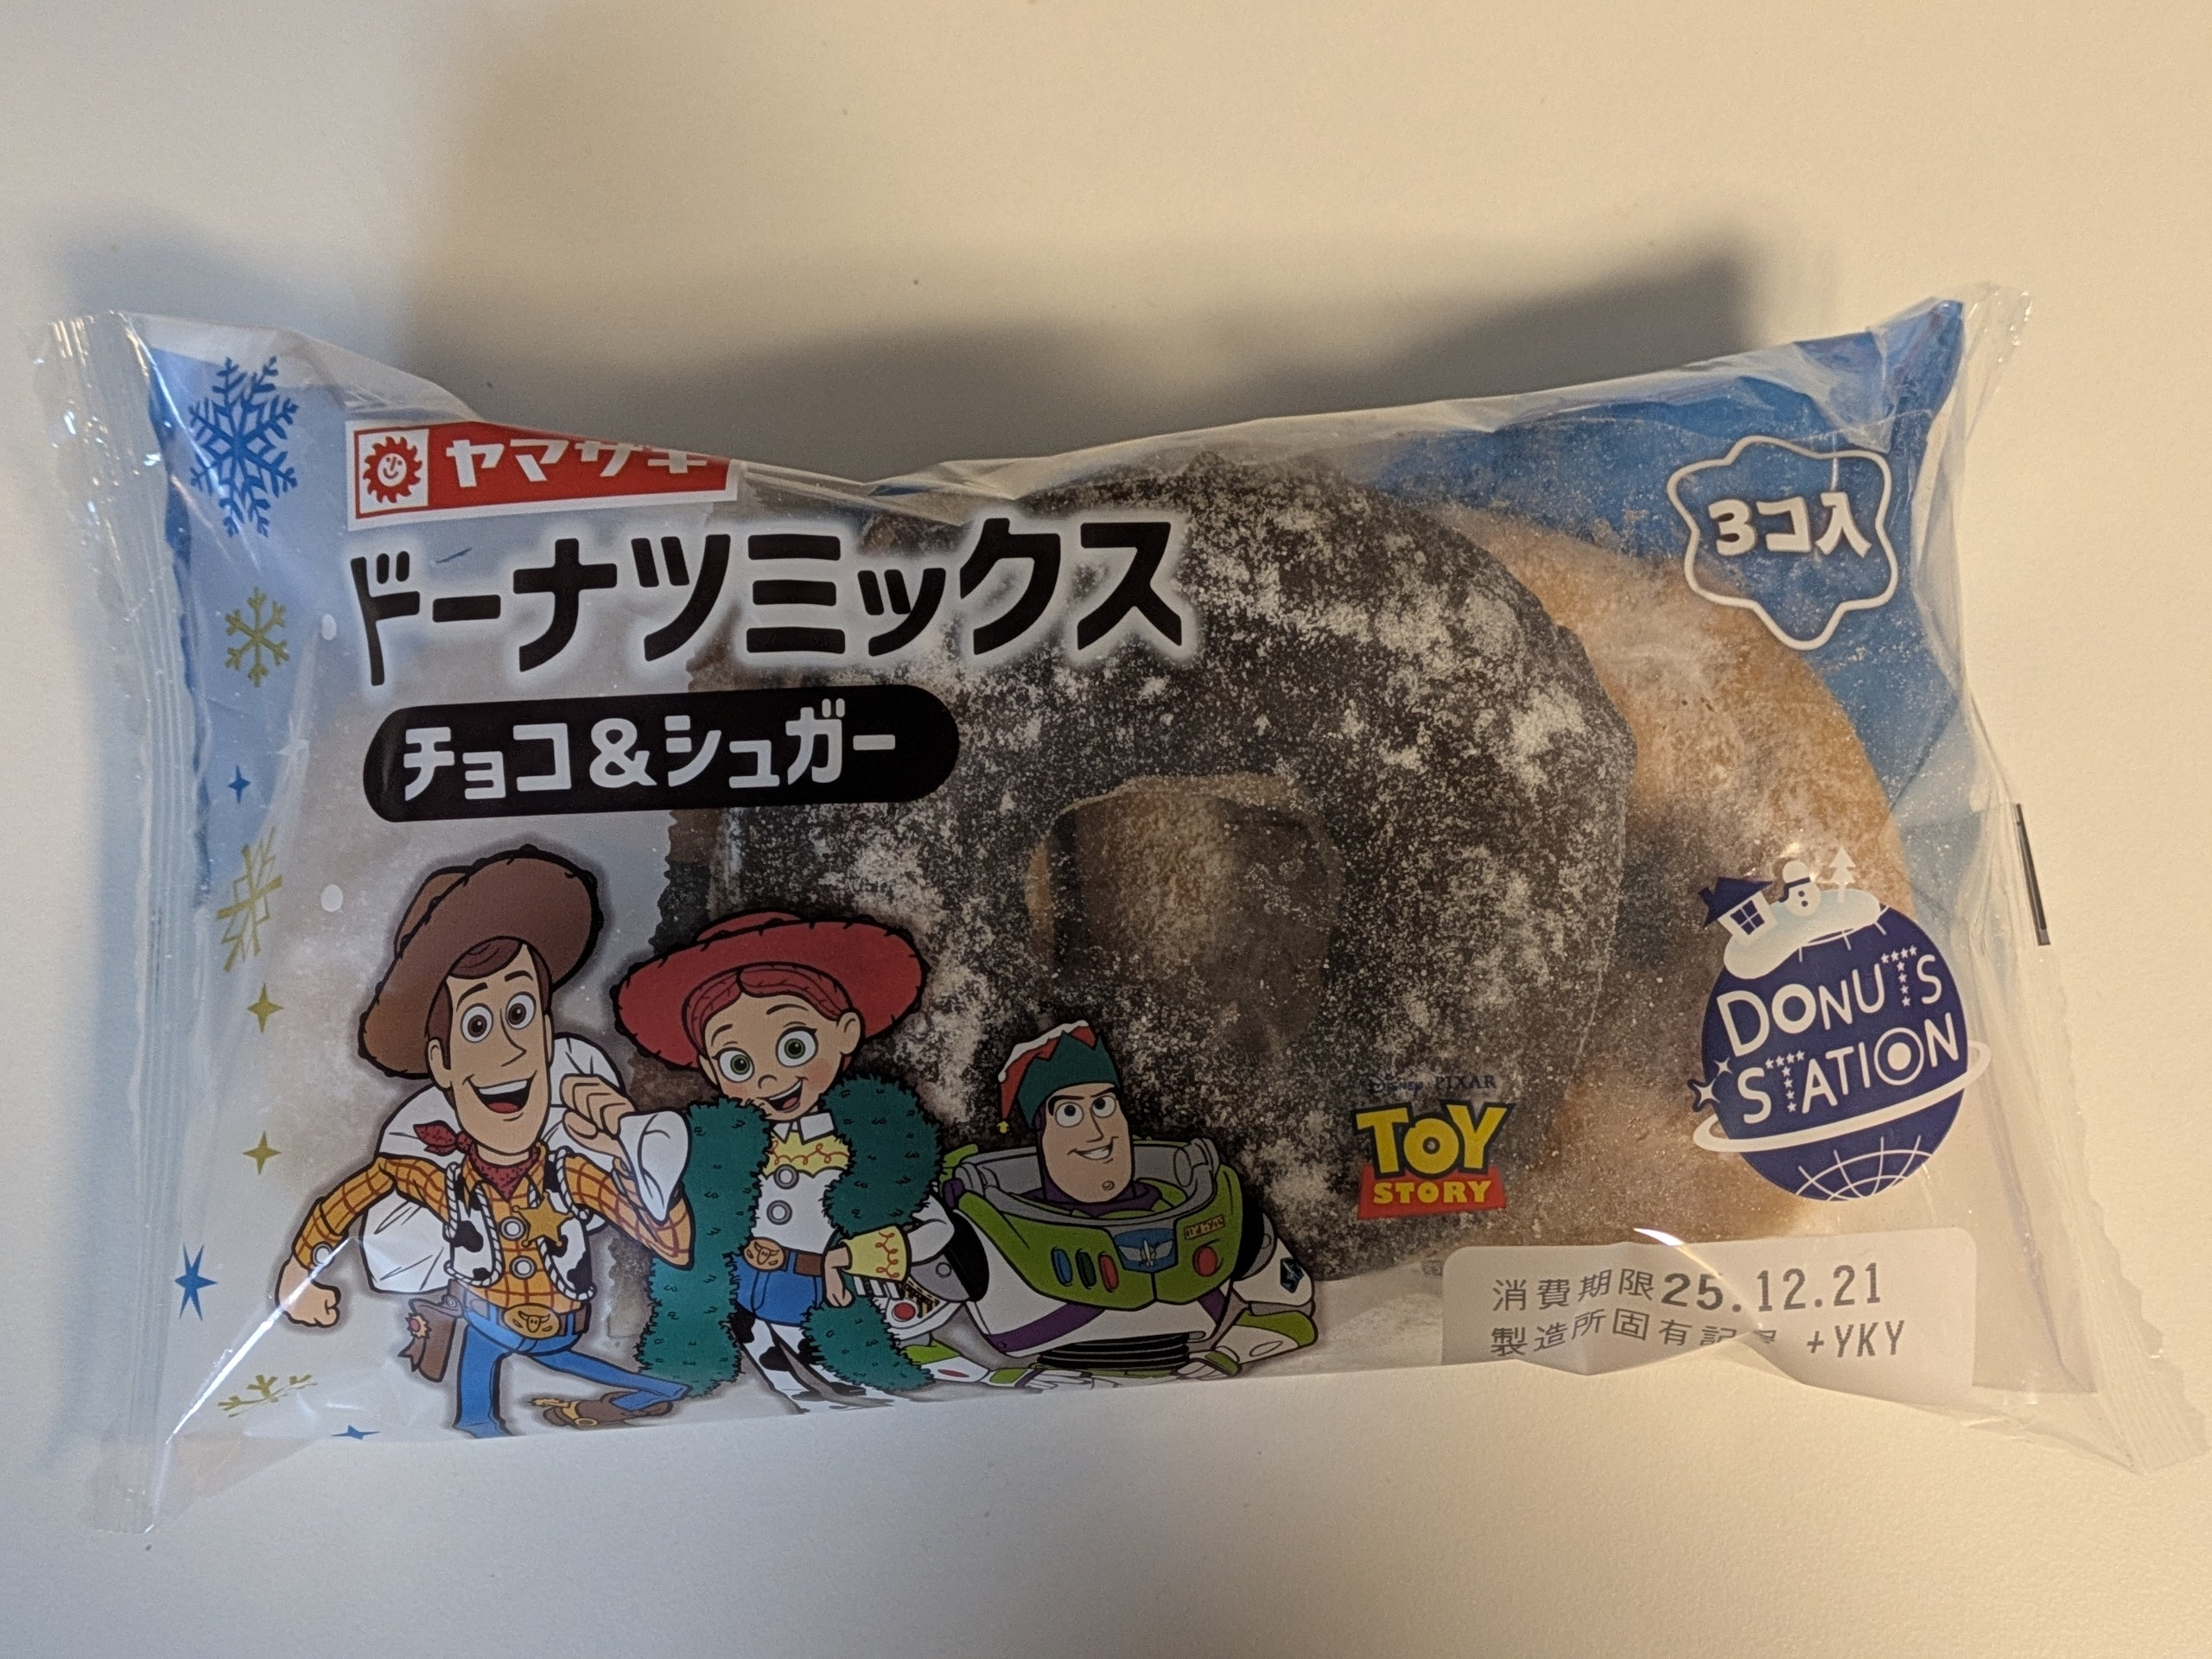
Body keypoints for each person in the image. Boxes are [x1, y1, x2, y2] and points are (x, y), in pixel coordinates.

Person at [273, 846, 694, 1436]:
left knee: (523, 1373)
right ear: (442, 1063)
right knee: (497, 1386)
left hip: (549, 1321)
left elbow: (671, 1245)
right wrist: (300, 1271)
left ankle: (652, 1391)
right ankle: (653, 1391)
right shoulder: (438, 1178)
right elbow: (360, 1192)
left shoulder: (573, 1174)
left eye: (519, 1014)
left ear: (546, 1034)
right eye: (476, 1025)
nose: (507, 1050)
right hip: (494, 1317)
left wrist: (638, 1161)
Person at [613, 909, 944, 1408]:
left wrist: (852, 1257)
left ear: (845, 1032)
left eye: (794, 1046)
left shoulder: (873, 1142)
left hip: (829, 1301)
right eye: (739, 1063)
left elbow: (936, 1227)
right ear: (711, 1070)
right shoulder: (714, 1147)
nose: (767, 1078)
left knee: (861, 1405)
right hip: (742, 1305)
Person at [915, 1021, 1318, 1382]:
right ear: (1041, 1133)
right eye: (1069, 1112)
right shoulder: (974, 1237)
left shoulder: (1224, 1211)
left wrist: (1228, 1355)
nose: (1096, 1131)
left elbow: (1292, 1315)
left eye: (1104, 1105)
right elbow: (917, 1343)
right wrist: (1004, 1376)